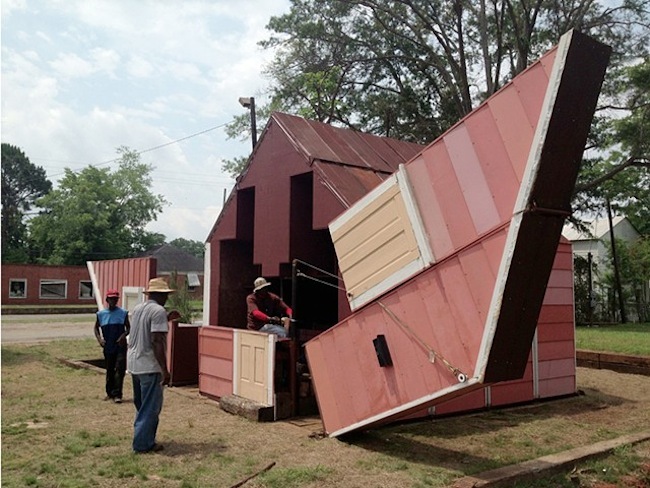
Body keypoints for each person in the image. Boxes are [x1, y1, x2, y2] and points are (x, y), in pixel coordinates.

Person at [127, 277, 174, 453]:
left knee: (142, 405)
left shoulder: (138, 308)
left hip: (134, 363)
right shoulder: (158, 311)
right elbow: (156, 340)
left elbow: (145, 329)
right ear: (160, 295)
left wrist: (166, 318)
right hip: (149, 364)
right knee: (150, 407)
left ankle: (143, 438)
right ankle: (143, 444)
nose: (167, 298)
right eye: (165, 295)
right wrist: (164, 369)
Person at [94, 289, 130, 403]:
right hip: (108, 345)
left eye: (115, 299)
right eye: (111, 299)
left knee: (120, 369)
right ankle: (109, 392)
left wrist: (123, 336)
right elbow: (96, 328)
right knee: (110, 369)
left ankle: (117, 394)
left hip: (120, 346)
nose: (113, 301)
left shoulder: (123, 313)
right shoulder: (101, 314)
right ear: (107, 300)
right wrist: (100, 340)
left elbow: (128, 328)